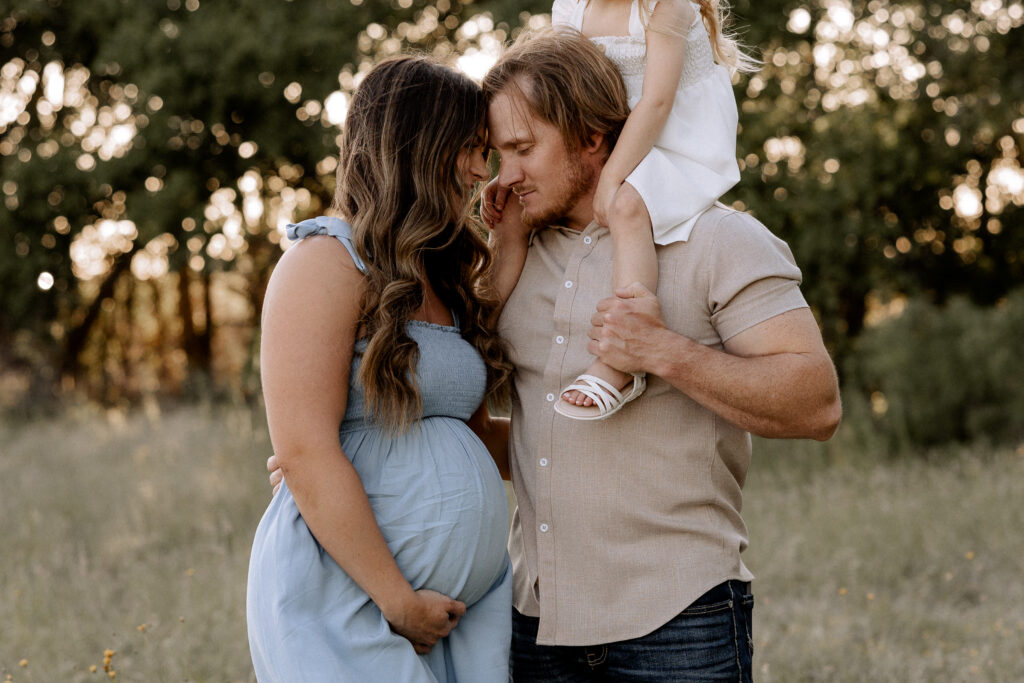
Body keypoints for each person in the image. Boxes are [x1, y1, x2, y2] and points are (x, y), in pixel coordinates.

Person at [480, 29, 841, 681]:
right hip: (536, 625)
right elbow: (514, 424)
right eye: (497, 154)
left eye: (523, 149)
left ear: (592, 136)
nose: (505, 176)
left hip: (680, 623)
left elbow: (816, 403)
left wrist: (664, 352)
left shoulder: (718, 239)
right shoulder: (513, 253)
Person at [246, 55, 517, 682]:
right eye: (470, 148)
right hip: (353, 601)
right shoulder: (324, 262)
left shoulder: (439, 275)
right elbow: (305, 452)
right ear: (417, 145)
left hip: (461, 616)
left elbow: (477, 440)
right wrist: (398, 602)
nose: (483, 170)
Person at [486, 0, 755, 421]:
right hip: (619, 129)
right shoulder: (571, 9)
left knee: (628, 205)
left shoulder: (667, 7)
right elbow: (564, 83)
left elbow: (657, 102)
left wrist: (612, 178)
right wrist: (511, 176)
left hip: (677, 138)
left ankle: (621, 357)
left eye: (521, 149)